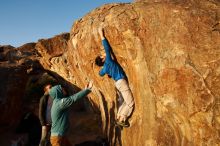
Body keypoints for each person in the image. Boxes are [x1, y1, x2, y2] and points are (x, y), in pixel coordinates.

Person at [95, 27, 135, 127]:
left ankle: (118, 117)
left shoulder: (104, 68)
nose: (103, 55)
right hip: (121, 81)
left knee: (122, 101)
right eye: (102, 56)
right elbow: (107, 49)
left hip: (117, 83)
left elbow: (100, 74)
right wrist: (101, 35)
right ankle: (123, 119)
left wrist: (107, 73)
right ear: (103, 59)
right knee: (130, 103)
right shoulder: (108, 61)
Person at [49, 81, 93, 146]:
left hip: (60, 136)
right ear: (58, 92)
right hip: (57, 138)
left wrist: (84, 90)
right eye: (62, 89)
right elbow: (73, 98)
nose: (64, 89)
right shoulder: (60, 103)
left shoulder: (57, 102)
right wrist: (87, 90)